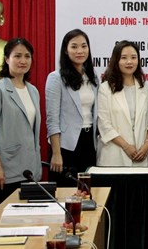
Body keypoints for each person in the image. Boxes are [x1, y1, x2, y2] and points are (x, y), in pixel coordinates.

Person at [0, 38, 41, 209]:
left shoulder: (33, 90)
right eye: (17, 56)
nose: (23, 61)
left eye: (27, 56)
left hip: (29, 169)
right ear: (7, 59)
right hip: (5, 171)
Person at [46, 29, 98, 184]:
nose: (80, 51)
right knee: (66, 193)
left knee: (88, 193)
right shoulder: (56, 78)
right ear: (65, 50)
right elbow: (52, 120)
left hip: (90, 142)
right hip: (66, 146)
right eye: (74, 46)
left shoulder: (93, 76)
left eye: (84, 46)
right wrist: (56, 153)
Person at [97, 41, 148, 166]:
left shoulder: (145, 88)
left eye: (133, 58)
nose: (129, 62)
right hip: (114, 155)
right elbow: (104, 124)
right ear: (116, 60)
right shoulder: (105, 88)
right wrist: (126, 146)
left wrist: (147, 144)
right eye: (124, 58)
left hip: (142, 155)